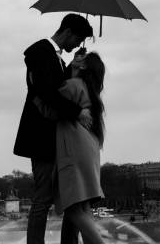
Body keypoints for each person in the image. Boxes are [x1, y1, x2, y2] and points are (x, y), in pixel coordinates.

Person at [13, 13, 94, 244]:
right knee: (44, 198)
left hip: (52, 137)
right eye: (77, 39)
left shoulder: (51, 56)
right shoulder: (40, 53)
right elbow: (48, 92)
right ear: (68, 32)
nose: (77, 45)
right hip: (43, 138)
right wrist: (78, 111)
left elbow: (54, 85)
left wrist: (72, 67)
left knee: (67, 198)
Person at [34, 52, 106, 244]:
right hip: (89, 149)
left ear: (84, 67)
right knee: (84, 209)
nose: (78, 57)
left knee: (74, 209)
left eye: (83, 58)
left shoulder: (73, 86)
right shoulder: (92, 91)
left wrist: (34, 91)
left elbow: (50, 108)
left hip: (73, 150)